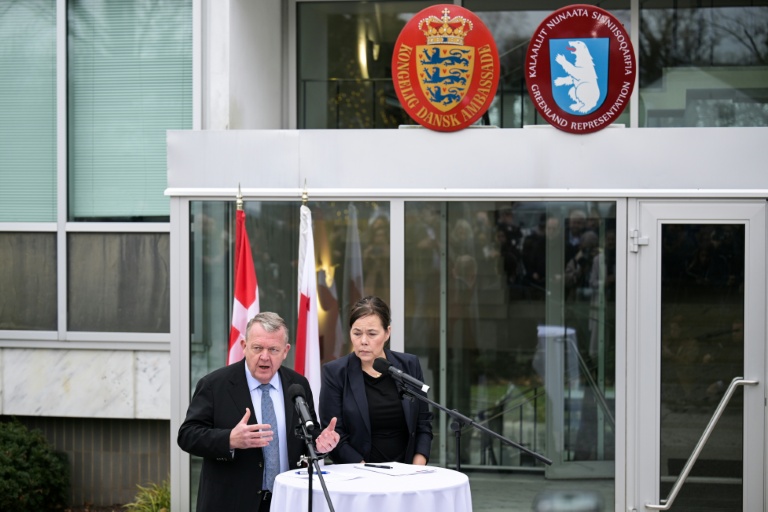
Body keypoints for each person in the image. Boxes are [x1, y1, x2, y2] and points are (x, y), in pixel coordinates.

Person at [178, 312, 340, 512]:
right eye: (257, 348)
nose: (264, 356)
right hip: (232, 503)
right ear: (244, 346)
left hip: (286, 501)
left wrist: (321, 442)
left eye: (273, 349)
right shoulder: (215, 385)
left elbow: (309, 432)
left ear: (285, 351)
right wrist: (229, 439)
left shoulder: (297, 385)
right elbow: (187, 435)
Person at [319, 296, 433, 465]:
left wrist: (416, 469)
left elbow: (423, 423)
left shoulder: (409, 365)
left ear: (387, 333)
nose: (363, 341)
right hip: (358, 472)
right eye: (357, 333)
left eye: (372, 334)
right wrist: (365, 470)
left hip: (408, 472)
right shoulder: (335, 372)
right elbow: (336, 436)